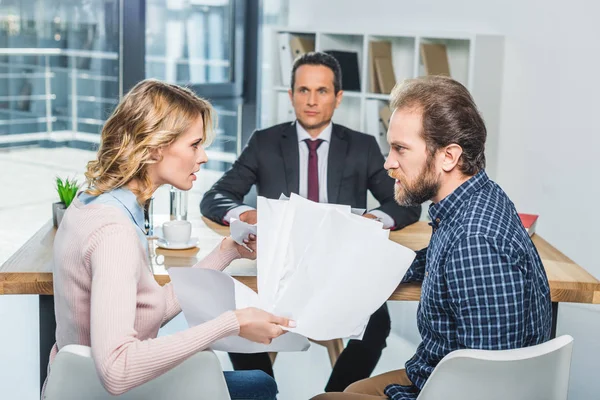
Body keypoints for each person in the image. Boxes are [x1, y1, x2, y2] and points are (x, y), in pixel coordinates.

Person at [46, 79, 294, 399]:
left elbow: (150, 309)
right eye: (195, 144)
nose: (203, 156)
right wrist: (231, 323)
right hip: (112, 392)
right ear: (154, 147)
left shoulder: (91, 203)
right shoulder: (114, 234)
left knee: (258, 383)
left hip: (77, 387)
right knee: (260, 386)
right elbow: (117, 370)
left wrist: (226, 252)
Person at [311, 76, 552, 399]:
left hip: (457, 387)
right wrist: (375, 267)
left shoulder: (475, 242)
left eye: (400, 149)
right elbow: (439, 258)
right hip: (437, 371)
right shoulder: (473, 199)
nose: (388, 163)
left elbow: (486, 384)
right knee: (353, 389)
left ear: (449, 157)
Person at [200, 52, 422, 392]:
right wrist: (241, 213)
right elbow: (216, 196)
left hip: (341, 268)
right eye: (303, 90)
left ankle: (334, 396)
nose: (312, 100)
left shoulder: (361, 146)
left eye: (322, 91)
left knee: (377, 325)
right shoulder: (266, 142)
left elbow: (404, 203)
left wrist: (371, 219)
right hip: (280, 270)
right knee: (234, 319)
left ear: (338, 97)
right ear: (290, 96)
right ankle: (263, 391)